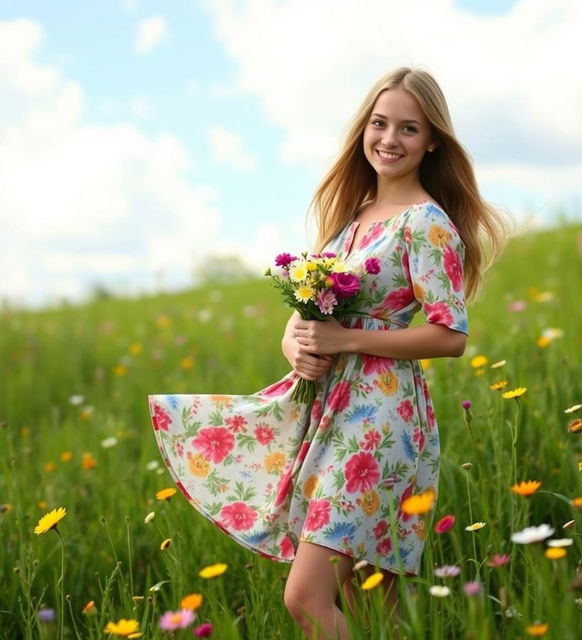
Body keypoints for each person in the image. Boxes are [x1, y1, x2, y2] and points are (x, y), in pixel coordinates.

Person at [149, 66, 508, 639]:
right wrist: (294, 340)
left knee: (307, 596)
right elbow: (309, 312)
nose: (390, 139)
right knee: (373, 600)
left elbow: (451, 335)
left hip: (381, 420)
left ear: (433, 139)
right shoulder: (351, 219)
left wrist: (346, 340)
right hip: (331, 411)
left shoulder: (427, 223)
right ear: (364, 128)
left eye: (409, 129)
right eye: (380, 123)